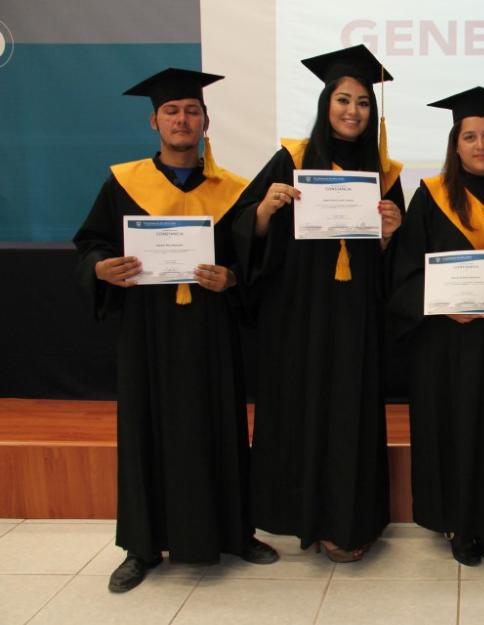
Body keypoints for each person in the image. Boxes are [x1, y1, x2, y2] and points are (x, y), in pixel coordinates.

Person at [73, 67, 278, 593]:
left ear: (206, 122)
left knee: (222, 427)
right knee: (146, 431)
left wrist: (232, 277)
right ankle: (141, 547)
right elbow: (92, 244)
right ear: (154, 122)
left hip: (211, 333)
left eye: (191, 110)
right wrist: (100, 268)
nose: (182, 119)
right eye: (172, 111)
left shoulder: (232, 191)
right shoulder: (123, 183)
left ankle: (236, 532)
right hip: (148, 334)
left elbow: (251, 264)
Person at [232, 45, 403, 562]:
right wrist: (264, 210)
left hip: (356, 319)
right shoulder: (291, 158)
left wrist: (390, 235)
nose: (353, 110)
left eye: (362, 103)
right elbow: (247, 232)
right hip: (299, 316)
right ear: (326, 102)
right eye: (343, 99)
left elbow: (396, 267)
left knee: (351, 411)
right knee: (305, 408)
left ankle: (349, 524)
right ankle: (303, 517)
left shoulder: (386, 172)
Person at [389, 87, 484, 567]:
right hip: (444, 342)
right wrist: (440, 304)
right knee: (451, 427)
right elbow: (406, 269)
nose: (480, 145)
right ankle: (456, 521)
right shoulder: (430, 197)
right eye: (470, 136)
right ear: (455, 145)